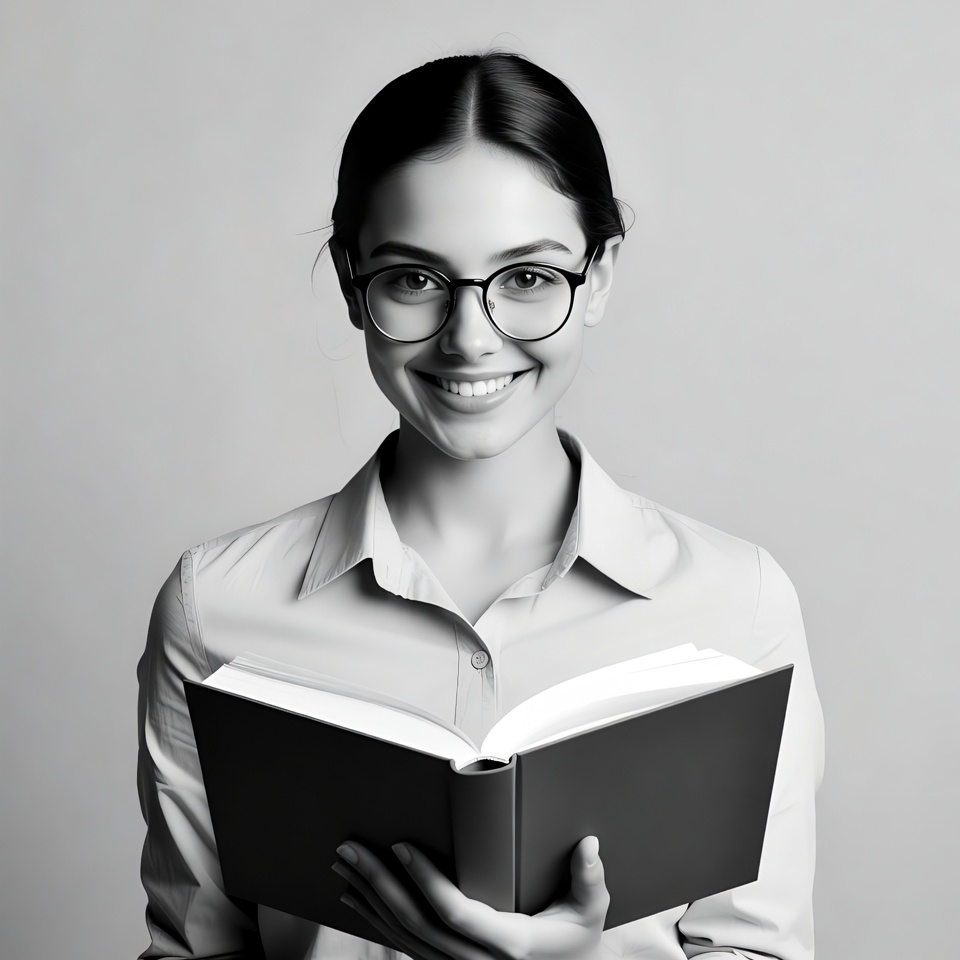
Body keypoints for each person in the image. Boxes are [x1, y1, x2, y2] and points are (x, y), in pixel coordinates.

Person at [137, 53, 824, 960]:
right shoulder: (214, 607)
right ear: (353, 282)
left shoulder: (739, 606)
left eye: (530, 278)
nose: (471, 339)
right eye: (415, 279)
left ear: (601, 273)